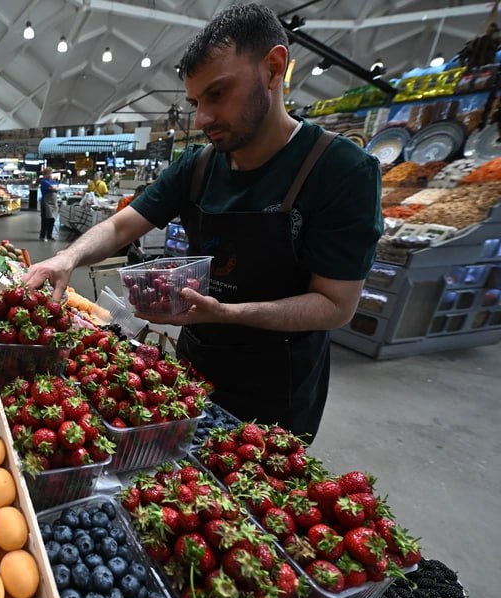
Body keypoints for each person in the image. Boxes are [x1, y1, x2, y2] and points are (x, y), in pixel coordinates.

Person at [23, 3, 382, 441]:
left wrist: (226, 312)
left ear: (273, 69)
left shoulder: (340, 170)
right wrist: (67, 257)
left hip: (275, 389)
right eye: (195, 102)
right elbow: (121, 227)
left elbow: (336, 305)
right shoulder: (198, 166)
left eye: (217, 94)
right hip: (193, 367)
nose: (202, 119)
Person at [38, 166, 61, 241]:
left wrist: (55, 188)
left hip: (54, 204)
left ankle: (49, 235)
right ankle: (42, 236)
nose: (50, 175)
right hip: (46, 204)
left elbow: (58, 188)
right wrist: (55, 188)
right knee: (45, 220)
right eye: (49, 173)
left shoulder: (53, 181)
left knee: (52, 219)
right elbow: (54, 188)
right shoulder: (44, 182)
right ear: (45, 174)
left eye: (51, 173)